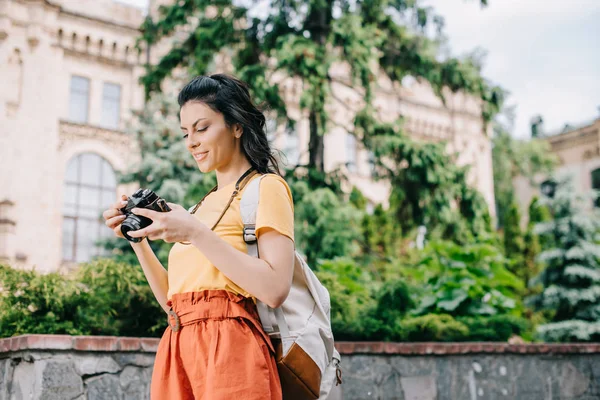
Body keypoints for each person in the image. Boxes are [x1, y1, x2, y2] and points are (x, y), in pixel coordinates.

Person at [102, 74, 295, 400]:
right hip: (178, 349)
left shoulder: (265, 188)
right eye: (185, 133)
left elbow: (275, 289)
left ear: (236, 126)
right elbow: (173, 301)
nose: (190, 141)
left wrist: (194, 231)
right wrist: (138, 240)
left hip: (232, 352)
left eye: (201, 128)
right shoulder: (198, 208)